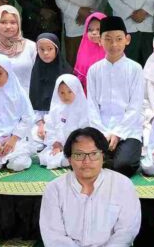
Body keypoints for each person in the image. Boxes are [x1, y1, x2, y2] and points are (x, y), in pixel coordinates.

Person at [24, 127, 145, 247]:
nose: (87, 161)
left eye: (93, 154)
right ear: (69, 158)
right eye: (79, 155)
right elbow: (53, 237)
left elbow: (126, 232)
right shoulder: (54, 189)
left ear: (103, 156)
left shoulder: (122, 185)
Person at [87, 17, 144, 177]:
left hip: (128, 131)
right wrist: (102, 134)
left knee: (123, 165)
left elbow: (135, 107)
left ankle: (114, 158)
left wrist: (117, 133)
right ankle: (106, 157)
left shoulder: (135, 69)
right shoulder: (94, 70)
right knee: (86, 163)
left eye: (119, 39)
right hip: (101, 130)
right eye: (108, 39)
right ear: (100, 41)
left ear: (127, 39)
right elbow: (91, 106)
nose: (114, 45)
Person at [39, 74, 101, 170]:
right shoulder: (56, 109)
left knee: (73, 157)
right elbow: (50, 128)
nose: (66, 96)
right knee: (46, 158)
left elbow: (84, 132)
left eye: (69, 92)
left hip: (78, 146)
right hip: (59, 146)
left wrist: (69, 147)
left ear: (76, 90)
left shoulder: (84, 109)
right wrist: (56, 143)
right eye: (62, 93)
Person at [0, 5, 37, 91]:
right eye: (3, 22)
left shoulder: (31, 47)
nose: (8, 26)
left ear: (19, 24)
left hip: (27, 101)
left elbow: (39, 78)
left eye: (13, 22)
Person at [29, 33, 72, 149]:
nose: (46, 53)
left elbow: (69, 105)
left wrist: (51, 125)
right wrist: (41, 124)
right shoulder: (35, 72)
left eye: (50, 49)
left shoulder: (66, 73)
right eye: (41, 50)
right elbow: (33, 104)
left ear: (56, 49)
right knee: (33, 142)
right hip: (40, 121)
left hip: (62, 120)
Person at [73, 12, 106, 91]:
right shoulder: (83, 51)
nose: (94, 33)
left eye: (98, 29)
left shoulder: (113, 51)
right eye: (90, 30)